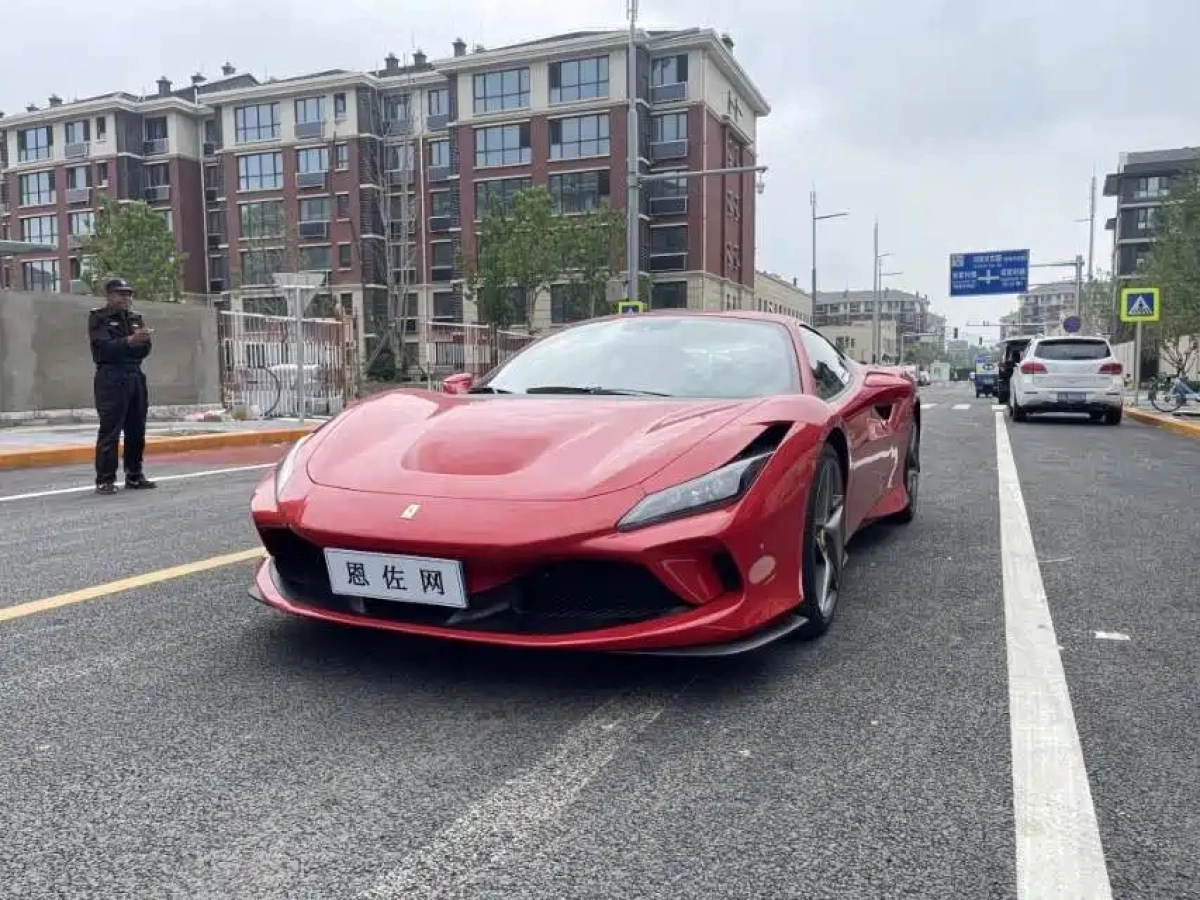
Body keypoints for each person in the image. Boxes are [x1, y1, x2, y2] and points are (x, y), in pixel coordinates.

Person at [88, 278, 157, 494]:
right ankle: (105, 479)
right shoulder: (99, 318)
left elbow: (145, 349)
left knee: (137, 428)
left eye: (128, 294)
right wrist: (129, 342)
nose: (126, 298)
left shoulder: (136, 319)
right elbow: (104, 348)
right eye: (121, 294)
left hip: (134, 375)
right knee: (111, 430)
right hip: (111, 377)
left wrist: (131, 344)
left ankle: (134, 476)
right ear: (109, 296)